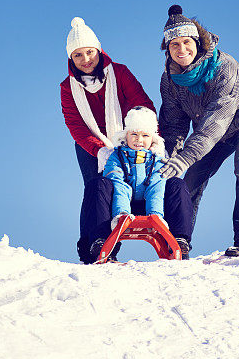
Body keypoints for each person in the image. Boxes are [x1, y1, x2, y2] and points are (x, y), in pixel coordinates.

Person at [158, 5, 239, 257]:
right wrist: (169, 158)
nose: (181, 49)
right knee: (190, 180)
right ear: (168, 49)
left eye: (186, 42)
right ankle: (179, 241)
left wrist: (185, 156)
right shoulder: (169, 80)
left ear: (197, 42)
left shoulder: (223, 66)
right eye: (174, 44)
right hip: (210, 132)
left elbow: (217, 119)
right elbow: (174, 124)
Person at [60, 17, 155, 262]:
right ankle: (93, 249)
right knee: (95, 190)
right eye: (78, 55)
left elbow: (142, 104)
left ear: (98, 49)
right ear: (71, 59)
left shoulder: (120, 73)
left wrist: (137, 136)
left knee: (132, 187)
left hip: (129, 139)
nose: (86, 59)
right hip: (90, 145)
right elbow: (75, 124)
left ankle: (132, 231)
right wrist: (99, 149)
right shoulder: (67, 87)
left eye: (89, 52)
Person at [83, 106, 193, 262]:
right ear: (126, 135)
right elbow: (120, 186)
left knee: (177, 184)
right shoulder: (116, 157)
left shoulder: (158, 160)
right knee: (99, 184)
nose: (139, 140)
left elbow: (156, 188)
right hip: (119, 207)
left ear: (152, 139)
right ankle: (100, 240)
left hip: (153, 206)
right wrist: (121, 214)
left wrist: (156, 216)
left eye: (145, 135)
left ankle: (179, 239)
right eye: (134, 134)